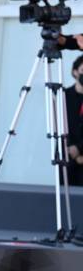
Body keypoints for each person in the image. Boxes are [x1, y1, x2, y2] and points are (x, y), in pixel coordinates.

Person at [64, 55, 83, 185]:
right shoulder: (64, 96)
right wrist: (71, 149)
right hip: (68, 158)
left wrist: (80, 149)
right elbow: (58, 125)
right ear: (75, 72)